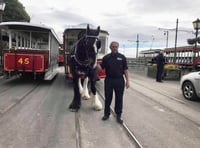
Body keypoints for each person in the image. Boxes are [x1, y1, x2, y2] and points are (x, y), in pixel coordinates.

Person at [100, 41, 130, 124]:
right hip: (109, 80)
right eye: (113, 46)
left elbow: (125, 69)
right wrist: (94, 64)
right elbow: (101, 68)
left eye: (116, 46)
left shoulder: (122, 57)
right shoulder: (106, 57)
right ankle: (106, 114)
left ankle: (119, 115)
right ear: (110, 47)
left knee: (119, 99)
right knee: (108, 98)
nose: (114, 48)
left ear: (118, 47)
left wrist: (127, 80)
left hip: (119, 80)